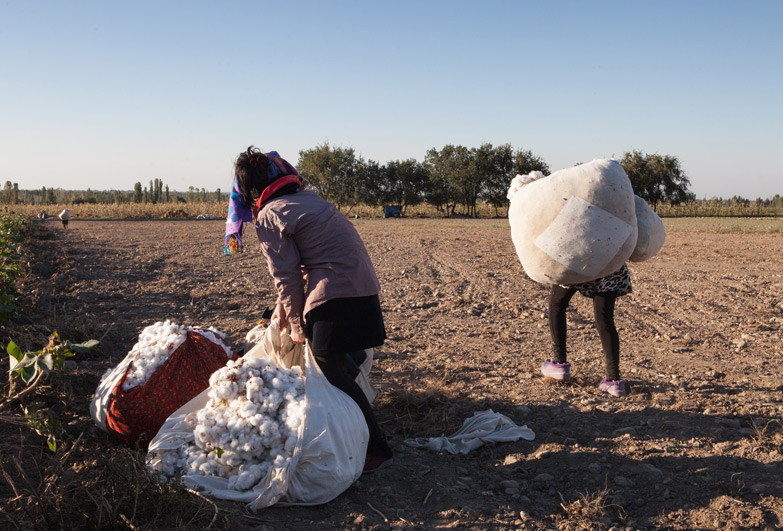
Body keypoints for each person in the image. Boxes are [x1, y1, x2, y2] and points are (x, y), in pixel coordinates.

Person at [225, 146, 393, 472]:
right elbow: (303, 268)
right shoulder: (313, 200)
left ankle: (376, 447)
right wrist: (284, 311)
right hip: (363, 289)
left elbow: (287, 278)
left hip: (336, 296)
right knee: (347, 358)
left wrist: (298, 329)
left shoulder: (270, 215)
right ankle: (347, 421)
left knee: (330, 366)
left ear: (252, 192)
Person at [540, 263, 632, 397]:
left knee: (557, 304)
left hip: (579, 263)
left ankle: (559, 364)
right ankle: (614, 381)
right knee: (605, 320)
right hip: (609, 265)